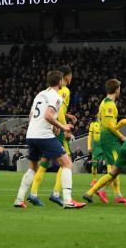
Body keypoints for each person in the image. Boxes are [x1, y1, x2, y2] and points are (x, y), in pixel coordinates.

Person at [14, 71, 85, 209]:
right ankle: (68, 200)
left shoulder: (40, 94)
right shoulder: (57, 97)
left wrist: (53, 126)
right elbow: (47, 115)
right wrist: (62, 126)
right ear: (60, 82)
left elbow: (31, 116)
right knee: (67, 164)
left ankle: (19, 199)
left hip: (31, 134)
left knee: (33, 167)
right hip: (43, 136)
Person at [29, 66, 78, 206]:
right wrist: (65, 129)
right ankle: (56, 193)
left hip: (46, 128)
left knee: (44, 162)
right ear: (67, 77)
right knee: (67, 161)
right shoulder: (65, 90)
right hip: (58, 129)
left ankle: (33, 193)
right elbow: (59, 112)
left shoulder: (46, 92)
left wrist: (67, 115)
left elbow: (60, 110)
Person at [96, 78, 126, 203]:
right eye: (119, 88)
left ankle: (117, 196)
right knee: (118, 166)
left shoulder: (103, 102)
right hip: (109, 138)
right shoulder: (110, 104)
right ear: (117, 90)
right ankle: (101, 189)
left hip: (106, 138)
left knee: (114, 167)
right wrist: (121, 136)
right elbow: (111, 125)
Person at [87, 113, 103, 185]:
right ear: (96, 115)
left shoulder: (106, 122)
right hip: (96, 146)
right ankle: (94, 180)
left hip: (105, 145)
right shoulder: (93, 124)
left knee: (109, 163)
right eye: (98, 113)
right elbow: (90, 136)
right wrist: (89, 146)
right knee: (94, 164)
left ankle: (110, 180)